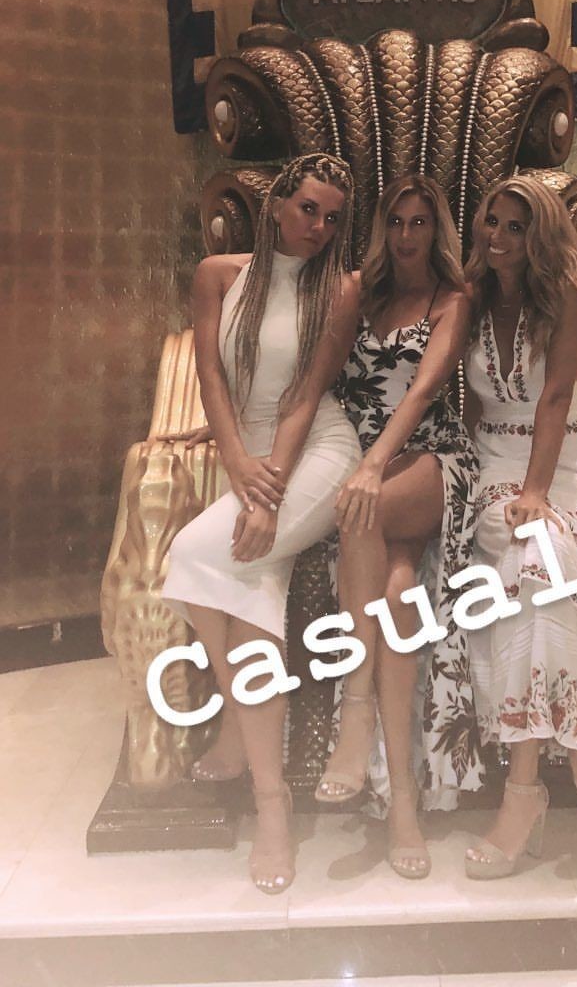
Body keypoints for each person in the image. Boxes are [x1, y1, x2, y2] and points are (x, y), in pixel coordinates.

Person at [162, 153, 361, 895]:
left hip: (314, 454)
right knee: (238, 586)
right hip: (249, 459)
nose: (320, 227)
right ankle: (267, 789)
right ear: (276, 204)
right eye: (309, 209)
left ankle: (257, 778)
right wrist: (235, 461)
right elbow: (213, 376)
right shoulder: (218, 275)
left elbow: (306, 394)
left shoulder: (337, 289)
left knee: (203, 555)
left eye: (333, 218)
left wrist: (268, 491)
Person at [315, 174, 481, 878]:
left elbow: (421, 392)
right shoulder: (360, 294)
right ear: (382, 230)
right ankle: (403, 805)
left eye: (420, 222)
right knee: (398, 595)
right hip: (368, 468)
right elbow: (317, 376)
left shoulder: (452, 299)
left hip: (432, 461)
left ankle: (355, 717)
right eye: (396, 222)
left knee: (363, 507)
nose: (407, 235)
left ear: (436, 229)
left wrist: (372, 466)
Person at [462, 174, 577, 879]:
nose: (498, 236)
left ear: (541, 235)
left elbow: (556, 396)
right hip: (496, 456)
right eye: (491, 221)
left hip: (568, 459)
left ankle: (522, 792)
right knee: (539, 557)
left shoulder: (565, 296)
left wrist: (536, 491)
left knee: (539, 553)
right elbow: (468, 401)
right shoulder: (469, 295)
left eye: (516, 226)